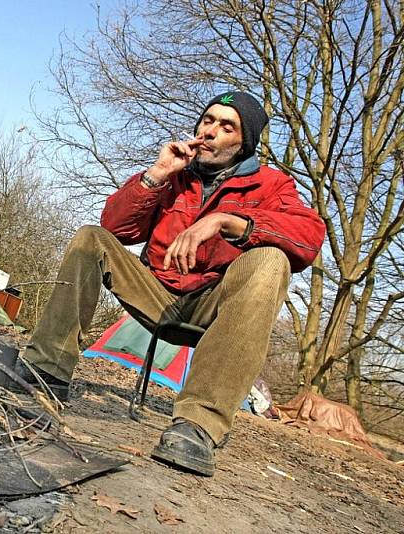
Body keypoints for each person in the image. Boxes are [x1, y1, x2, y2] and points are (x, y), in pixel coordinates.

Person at [17, 91, 325, 476]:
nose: (210, 131)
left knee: (272, 260)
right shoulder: (176, 176)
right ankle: (46, 372)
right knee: (90, 237)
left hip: (212, 304)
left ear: (243, 142)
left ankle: (197, 426)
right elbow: (116, 229)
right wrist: (156, 175)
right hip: (156, 290)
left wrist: (225, 221)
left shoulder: (272, 185)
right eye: (208, 120)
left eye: (226, 126)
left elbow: (309, 237)